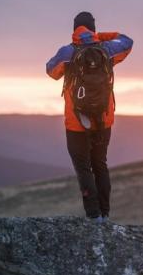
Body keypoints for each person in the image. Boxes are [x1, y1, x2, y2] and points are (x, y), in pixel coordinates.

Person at [46, 11, 132, 222]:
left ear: (74, 28)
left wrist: (82, 40)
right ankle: (105, 212)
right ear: (93, 28)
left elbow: (50, 70)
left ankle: (93, 216)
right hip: (104, 120)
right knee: (100, 164)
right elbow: (128, 41)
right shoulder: (107, 49)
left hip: (76, 122)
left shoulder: (68, 52)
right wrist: (99, 37)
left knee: (84, 167)